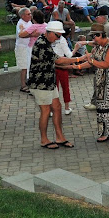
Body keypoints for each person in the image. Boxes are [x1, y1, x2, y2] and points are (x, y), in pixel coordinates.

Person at [28, 21, 81, 149]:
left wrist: (71, 65)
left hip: (49, 81)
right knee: (46, 110)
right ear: (49, 32)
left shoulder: (47, 41)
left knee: (57, 107)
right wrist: (80, 59)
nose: (58, 38)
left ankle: (59, 137)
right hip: (41, 83)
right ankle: (44, 140)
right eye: (57, 36)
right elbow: (58, 60)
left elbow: (54, 62)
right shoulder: (41, 44)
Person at [83, 22, 109, 142]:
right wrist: (76, 66)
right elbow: (92, 58)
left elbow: (106, 64)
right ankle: (104, 131)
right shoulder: (98, 46)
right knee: (100, 106)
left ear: (101, 35)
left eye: (94, 36)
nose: (93, 39)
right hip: (101, 80)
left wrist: (91, 62)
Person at [15, 7, 33, 93]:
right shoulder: (20, 23)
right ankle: (23, 85)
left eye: (30, 13)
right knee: (24, 67)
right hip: (22, 47)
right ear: (22, 16)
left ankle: (29, 82)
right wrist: (32, 35)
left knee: (29, 65)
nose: (30, 15)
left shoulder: (29, 22)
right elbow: (21, 34)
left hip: (29, 47)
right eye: (28, 14)